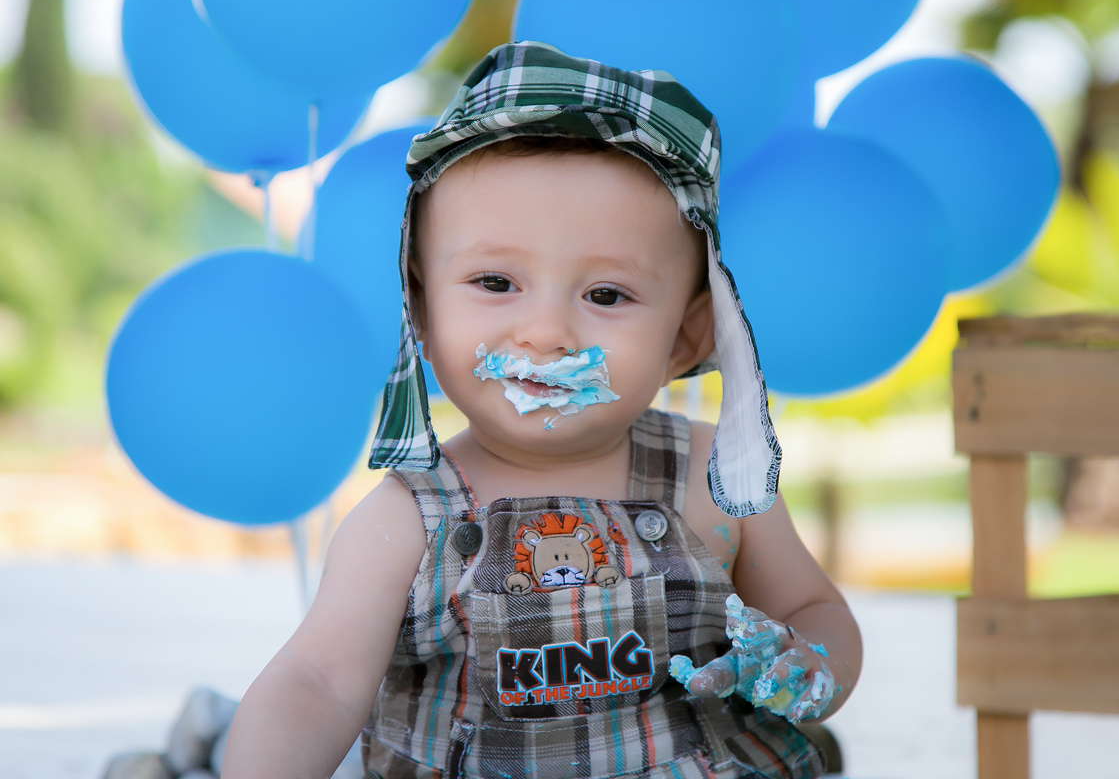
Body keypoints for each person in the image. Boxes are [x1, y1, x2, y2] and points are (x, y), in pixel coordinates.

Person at [221, 42, 862, 779]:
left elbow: (817, 611)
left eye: (606, 295)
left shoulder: (713, 480)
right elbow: (319, 681)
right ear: (421, 312)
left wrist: (807, 664)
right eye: (496, 282)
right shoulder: (407, 519)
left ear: (687, 337)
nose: (548, 333)